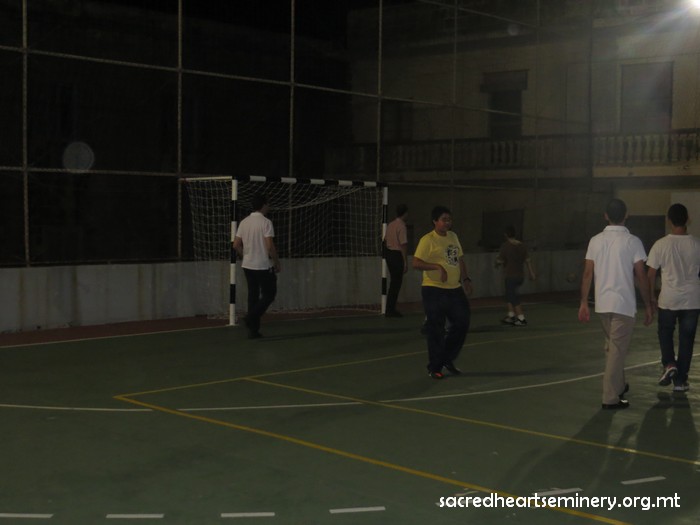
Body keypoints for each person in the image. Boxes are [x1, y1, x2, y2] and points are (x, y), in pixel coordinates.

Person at [578, 198, 653, 410]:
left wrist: (583, 302)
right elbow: (641, 276)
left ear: (605, 216)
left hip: (602, 304)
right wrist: (648, 304)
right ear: (626, 215)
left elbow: (587, 273)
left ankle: (619, 385)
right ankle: (610, 397)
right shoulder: (633, 242)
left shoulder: (595, 241)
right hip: (623, 305)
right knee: (617, 350)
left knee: (612, 347)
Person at [413, 205, 472, 379]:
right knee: (436, 329)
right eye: (444, 219)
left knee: (462, 322)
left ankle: (447, 358)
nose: (447, 223)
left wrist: (466, 279)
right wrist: (437, 267)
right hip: (433, 289)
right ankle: (435, 367)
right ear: (435, 221)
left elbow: (460, 259)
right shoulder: (427, 240)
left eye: (449, 219)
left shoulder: (453, 236)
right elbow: (416, 263)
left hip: (454, 289)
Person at [646, 203, 700, 393]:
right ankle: (680, 381)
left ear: (669, 221)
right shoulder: (697, 244)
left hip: (668, 299)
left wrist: (651, 297)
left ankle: (669, 363)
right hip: (692, 300)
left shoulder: (660, 244)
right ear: (688, 219)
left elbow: (650, 274)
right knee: (687, 340)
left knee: (665, 333)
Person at [232, 194, 281, 339]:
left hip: (248, 265)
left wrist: (245, 255)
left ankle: (253, 331)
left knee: (252, 295)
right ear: (263, 205)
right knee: (269, 294)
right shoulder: (266, 222)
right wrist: (276, 261)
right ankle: (251, 317)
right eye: (268, 204)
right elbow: (269, 246)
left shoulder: (244, 222)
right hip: (262, 265)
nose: (269, 207)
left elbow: (236, 245)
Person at [495, 225, 536, 326]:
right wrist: (531, 272)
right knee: (509, 294)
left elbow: (500, 260)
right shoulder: (522, 246)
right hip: (520, 275)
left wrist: (496, 262)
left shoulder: (506, 246)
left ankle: (521, 318)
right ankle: (511, 315)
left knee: (513, 297)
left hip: (510, 275)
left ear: (506, 235)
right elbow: (528, 260)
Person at [384, 204, 410, 317]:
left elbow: (385, 240)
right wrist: (405, 262)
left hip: (389, 253)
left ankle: (390, 308)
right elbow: (403, 244)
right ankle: (390, 309)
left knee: (393, 283)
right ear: (405, 213)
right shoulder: (401, 226)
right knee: (396, 283)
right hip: (396, 254)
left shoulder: (390, 224)